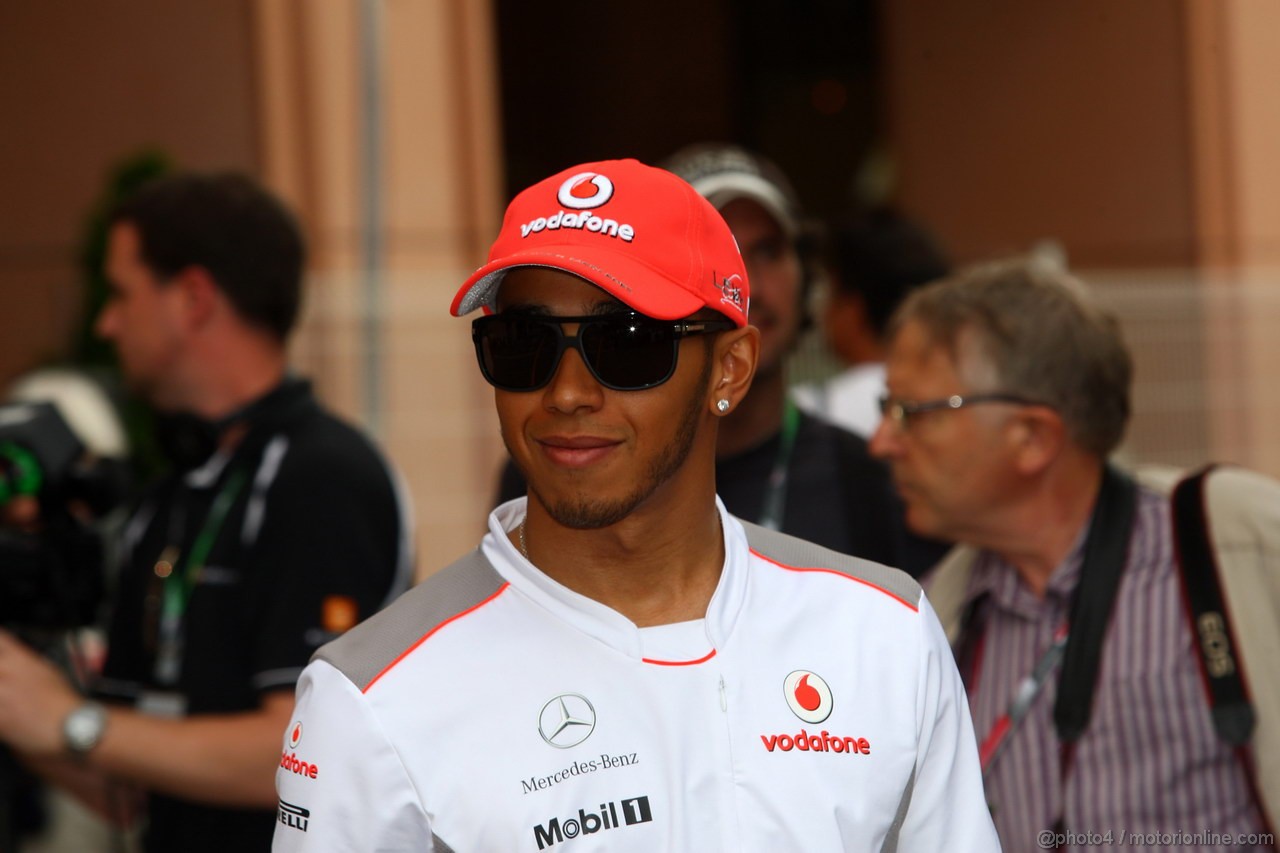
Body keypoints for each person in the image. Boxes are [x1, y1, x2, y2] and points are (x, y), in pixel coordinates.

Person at [272, 158, 998, 851]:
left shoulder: (882, 632)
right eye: (522, 343)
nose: (566, 392)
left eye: (625, 343)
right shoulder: (368, 697)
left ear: (730, 368)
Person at [0, 173, 413, 853]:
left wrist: (73, 722)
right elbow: (128, 785)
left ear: (193, 298)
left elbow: (306, 753)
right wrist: (28, 711)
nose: (106, 322)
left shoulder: (322, 474)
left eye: (122, 293)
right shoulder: (169, 493)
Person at [868, 259, 1276, 851]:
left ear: (1032, 437)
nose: (881, 442)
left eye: (911, 413)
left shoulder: (1229, 545)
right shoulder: (932, 616)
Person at [499, 144, 942, 574]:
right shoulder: (565, 452)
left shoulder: (864, 480)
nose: (742, 284)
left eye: (767, 250)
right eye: (715, 249)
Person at [792, 208, 949, 439]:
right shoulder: (952, 406)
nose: (823, 310)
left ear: (853, 306)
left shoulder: (807, 412)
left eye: (831, 293)